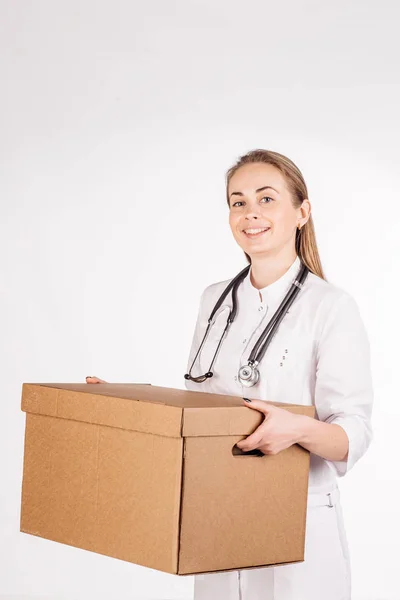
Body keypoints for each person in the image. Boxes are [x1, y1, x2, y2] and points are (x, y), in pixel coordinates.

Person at [86, 148, 374, 600]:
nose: (250, 214)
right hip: (219, 516)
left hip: (298, 522)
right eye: (237, 202)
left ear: (302, 212)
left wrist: (294, 429)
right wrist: (124, 405)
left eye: (265, 199)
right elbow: (199, 410)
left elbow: (353, 433)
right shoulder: (214, 300)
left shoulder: (331, 307)